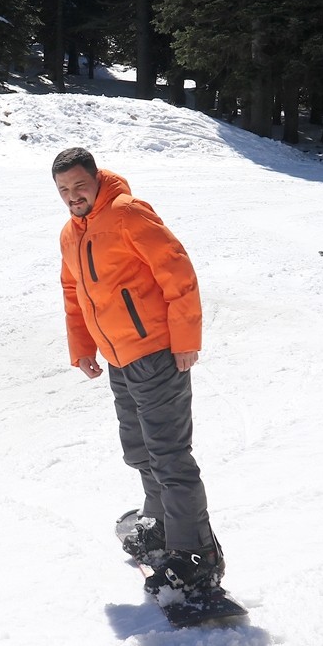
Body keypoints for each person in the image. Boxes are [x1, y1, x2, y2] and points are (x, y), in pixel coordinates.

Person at [51, 146, 224, 596]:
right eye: (64, 190)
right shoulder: (71, 234)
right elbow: (74, 293)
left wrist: (186, 341)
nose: (73, 196)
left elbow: (178, 272)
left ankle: (195, 558)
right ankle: (161, 525)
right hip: (118, 359)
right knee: (139, 450)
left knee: (169, 456)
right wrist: (83, 346)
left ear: (97, 180)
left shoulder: (128, 214)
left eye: (79, 186)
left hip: (157, 352)